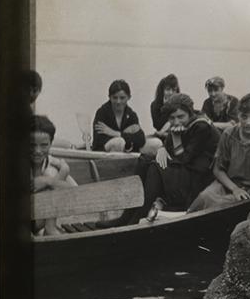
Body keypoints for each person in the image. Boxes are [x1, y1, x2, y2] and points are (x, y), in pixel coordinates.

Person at [96, 94, 220, 227]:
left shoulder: (201, 126)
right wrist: (162, 148)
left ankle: (137, 218)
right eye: (172, 118)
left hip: (197, 180)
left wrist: (176, 138)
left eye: (180, 117)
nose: (176, 122)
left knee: (155, 168)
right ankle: (126, 216)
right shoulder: (185, 122)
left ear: (190, 113)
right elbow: (168, 145)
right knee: (144, 160)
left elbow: (184, 159)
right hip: (185, 172)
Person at [188, 93, 250, 211]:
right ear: (238, 115)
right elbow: (218, 169)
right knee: (205, 197)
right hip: (228, 184)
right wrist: (235, 189)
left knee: (238, 205)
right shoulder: (229, 134)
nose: (248, 122)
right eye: (244, 117)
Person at [30, 115, 77, 235]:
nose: (38, 151)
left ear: (51, 144)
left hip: (40, 219)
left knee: (51, 173)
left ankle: (49, 227)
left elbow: (75, 191)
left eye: (44, 145)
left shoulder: (53, 163)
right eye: (32, 145)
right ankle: (49, 228)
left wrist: (50, 180)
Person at [92, 80, 161, 155]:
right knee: (119, 142)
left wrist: (117, 134)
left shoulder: (131, 114)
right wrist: (127, 136)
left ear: (128, 97)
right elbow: (98, 140)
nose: (118, 101)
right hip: (104, 152)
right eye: (115, 98)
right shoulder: (102, 113)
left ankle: (147, 163)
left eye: (122, 98)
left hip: (128, 148)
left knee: (157, 143)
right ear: (109, 97)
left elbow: (141, 139)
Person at [150, 74, 180, 139]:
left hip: (178, 133)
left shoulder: (181, 103)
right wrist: (166, 108)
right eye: (168, 89)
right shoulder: (154, 105)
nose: (171, 93)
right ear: (162, 91)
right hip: (163, 136)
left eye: (174, 90)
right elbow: (157, 125)